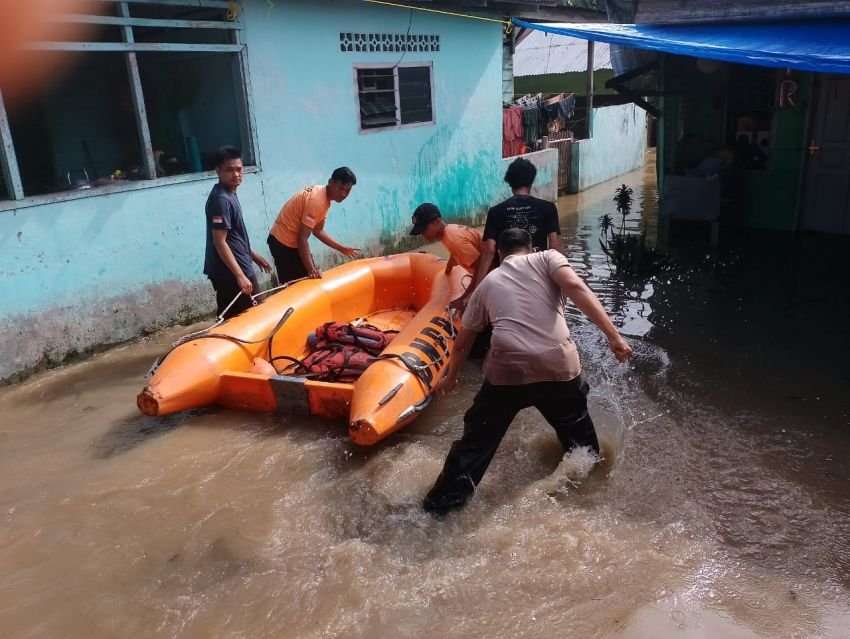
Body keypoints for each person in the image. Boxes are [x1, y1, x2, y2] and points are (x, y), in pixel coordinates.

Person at [423, 228, 633, 515]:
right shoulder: (549, 258)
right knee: (579, 436)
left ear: (499, 255)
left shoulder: (487, 283)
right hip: (558, 366)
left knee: (475, 444)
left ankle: (439, 508)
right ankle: (586, 484)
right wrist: (614, 336)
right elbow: (577, 288)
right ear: (532, 249)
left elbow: (463, 343)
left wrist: (451, 378)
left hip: (508, 371)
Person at [467, 157, 562, 313]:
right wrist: (557, 281)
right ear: (532, 180)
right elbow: (554, 246)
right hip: (537, 277)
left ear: (509, 182)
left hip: (504, 279)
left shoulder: (495, 211)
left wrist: (477, 289)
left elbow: (489, 250)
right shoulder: (548, 208)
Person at [203, 146, 272, 319]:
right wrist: (239, 276)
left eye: (239, 169)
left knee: (243, 316)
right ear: (218, 171)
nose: (236, 174)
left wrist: (253, 255)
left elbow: (234, 237)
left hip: (239, 265)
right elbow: (220, 242)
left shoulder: (229, 193)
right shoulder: (221, 199)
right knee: (250, 317)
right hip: (230, 272)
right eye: (229, 170)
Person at [267, 167, 360, 284]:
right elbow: (302, 239)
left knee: (308, 279)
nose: (343, 194)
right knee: (297, 285)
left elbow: (318, 230)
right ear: (330, 182)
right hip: (282, 243)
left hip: (290, 242)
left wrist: (341, 248)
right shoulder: (317, 201)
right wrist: (311, 269)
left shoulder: (324, 196)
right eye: (341, 188)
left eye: (348, 190)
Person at [408, 202, 493, 311]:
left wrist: (463, 298)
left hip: (494, 273)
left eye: (424, 230)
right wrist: (449, 267)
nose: (423, 234)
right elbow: (456, 253)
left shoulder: (453, 239)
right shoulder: (449, 232)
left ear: (437, 221)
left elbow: (481, 267)